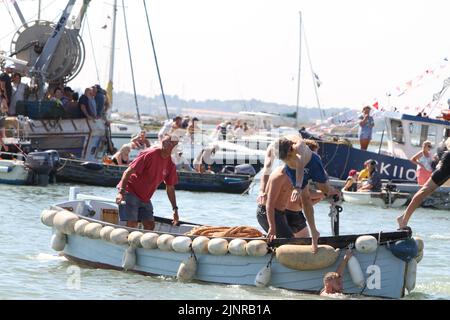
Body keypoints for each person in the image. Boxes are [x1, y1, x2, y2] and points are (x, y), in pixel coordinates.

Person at [263, 135, 340, 252]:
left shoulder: (297, 147)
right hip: (293, 170)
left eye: (289, 156)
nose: (287, 160)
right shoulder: (275, 149)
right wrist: (262, 190)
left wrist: (298, 186)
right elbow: (267, 166)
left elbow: (300, 167)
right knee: (305, 199)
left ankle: (331, 188)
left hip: (311, 163)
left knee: (325, 190)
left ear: (291, 149)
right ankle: (314, 232)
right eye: (284, 159)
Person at [116, 134, 180, 230]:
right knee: (132, 223)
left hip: (145, 198)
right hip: (130, 191)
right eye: (165, 141)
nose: (166, 144)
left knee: (150, 226)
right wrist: (121, 193)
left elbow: (170, 187)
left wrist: (175, 209)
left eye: (170, 143)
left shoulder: (171, 163)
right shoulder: (150, 154)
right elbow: (127, 172)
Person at [397, 137, 450, 229]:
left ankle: (403, 217)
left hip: (445, 156)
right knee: (425, 190)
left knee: (427, 190)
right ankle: (403, 220)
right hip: (447, 160)